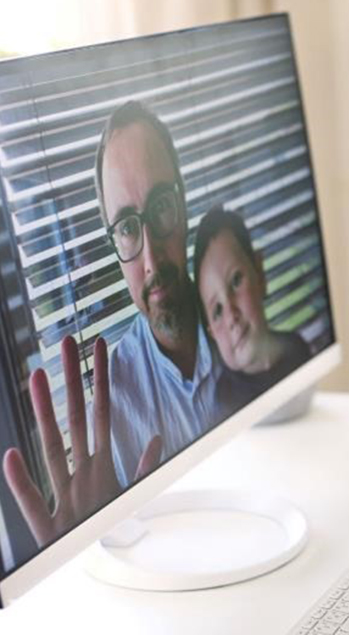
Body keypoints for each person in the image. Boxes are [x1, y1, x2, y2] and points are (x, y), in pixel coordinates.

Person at [3, 101, 224, 547]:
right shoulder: (114, 407)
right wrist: (88, 550)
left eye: (160, 207)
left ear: (182, 204)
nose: (150, 257)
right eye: (126, 227)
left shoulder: (239, 324)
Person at [193, 205, 310, 416]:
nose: (231, 316)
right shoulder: (224, 405)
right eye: (217, 310)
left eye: (236, 280)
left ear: (260, 274)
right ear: (211, 332)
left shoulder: (297, 348)